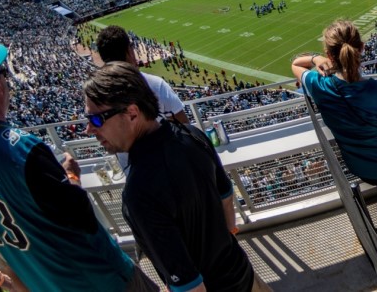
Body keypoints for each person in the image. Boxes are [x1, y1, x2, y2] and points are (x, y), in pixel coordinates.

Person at [84, 64, 269, 292]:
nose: (89, 130)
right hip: (242, 272)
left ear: (132, 113)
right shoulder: (194, 135)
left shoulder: (139, 193)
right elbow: (227, 199)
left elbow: (191, 287)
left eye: (96, 120)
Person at [0, 44, 158, 292]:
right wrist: (72, 175)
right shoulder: (21, 149)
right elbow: (80, 218)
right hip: (98, 280)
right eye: (4, 73)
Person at [291, 21, 377, 266]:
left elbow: (295, 63)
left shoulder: (318, 85)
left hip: (361, 165)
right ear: (363, 48)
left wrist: (315, 60)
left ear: (329, 54)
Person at [96, 25, 189, 124]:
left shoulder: (98, 94)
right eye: (131, 46)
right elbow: (184, 124)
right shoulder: (156, 84)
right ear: (129, 51)